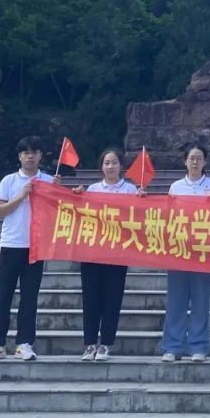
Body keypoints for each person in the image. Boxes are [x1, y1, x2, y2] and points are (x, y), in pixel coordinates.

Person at [0, 136, 55, 362]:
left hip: (35, 247)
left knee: (29, 298)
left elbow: (62, 208)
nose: (30, 156)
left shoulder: (49, 181)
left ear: (41, 156)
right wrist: (21, 196)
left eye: (34, 152)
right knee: (3, 296)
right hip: (11, 244)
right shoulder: (9, 181)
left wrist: (70, 192)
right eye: (25, 152)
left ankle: (24, 344)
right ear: (20, 156)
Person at [73, 148, 140, 361]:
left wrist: (143, 200)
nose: (110, 166)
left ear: (121, 166)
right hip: (93, 252)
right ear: (101, 167)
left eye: (114, 162)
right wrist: (77, 197)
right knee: (91, 299)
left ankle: (105, 345)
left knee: (113, 299)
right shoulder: (92, 189)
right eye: (106, 163)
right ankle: (90, 344)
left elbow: (139, 217)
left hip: (118, 253)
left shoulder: (130, 190)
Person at [160, 145, 210, 363]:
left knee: (201, 301)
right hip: (179, 250)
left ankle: (199, 346)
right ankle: (172, 346)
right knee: (176, 301)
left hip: (203, 251)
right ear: (184, 161)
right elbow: (167, 217)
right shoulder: (176, 187)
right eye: (191, 158)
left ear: (205, 162)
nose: (195, 162)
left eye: (199, 158)